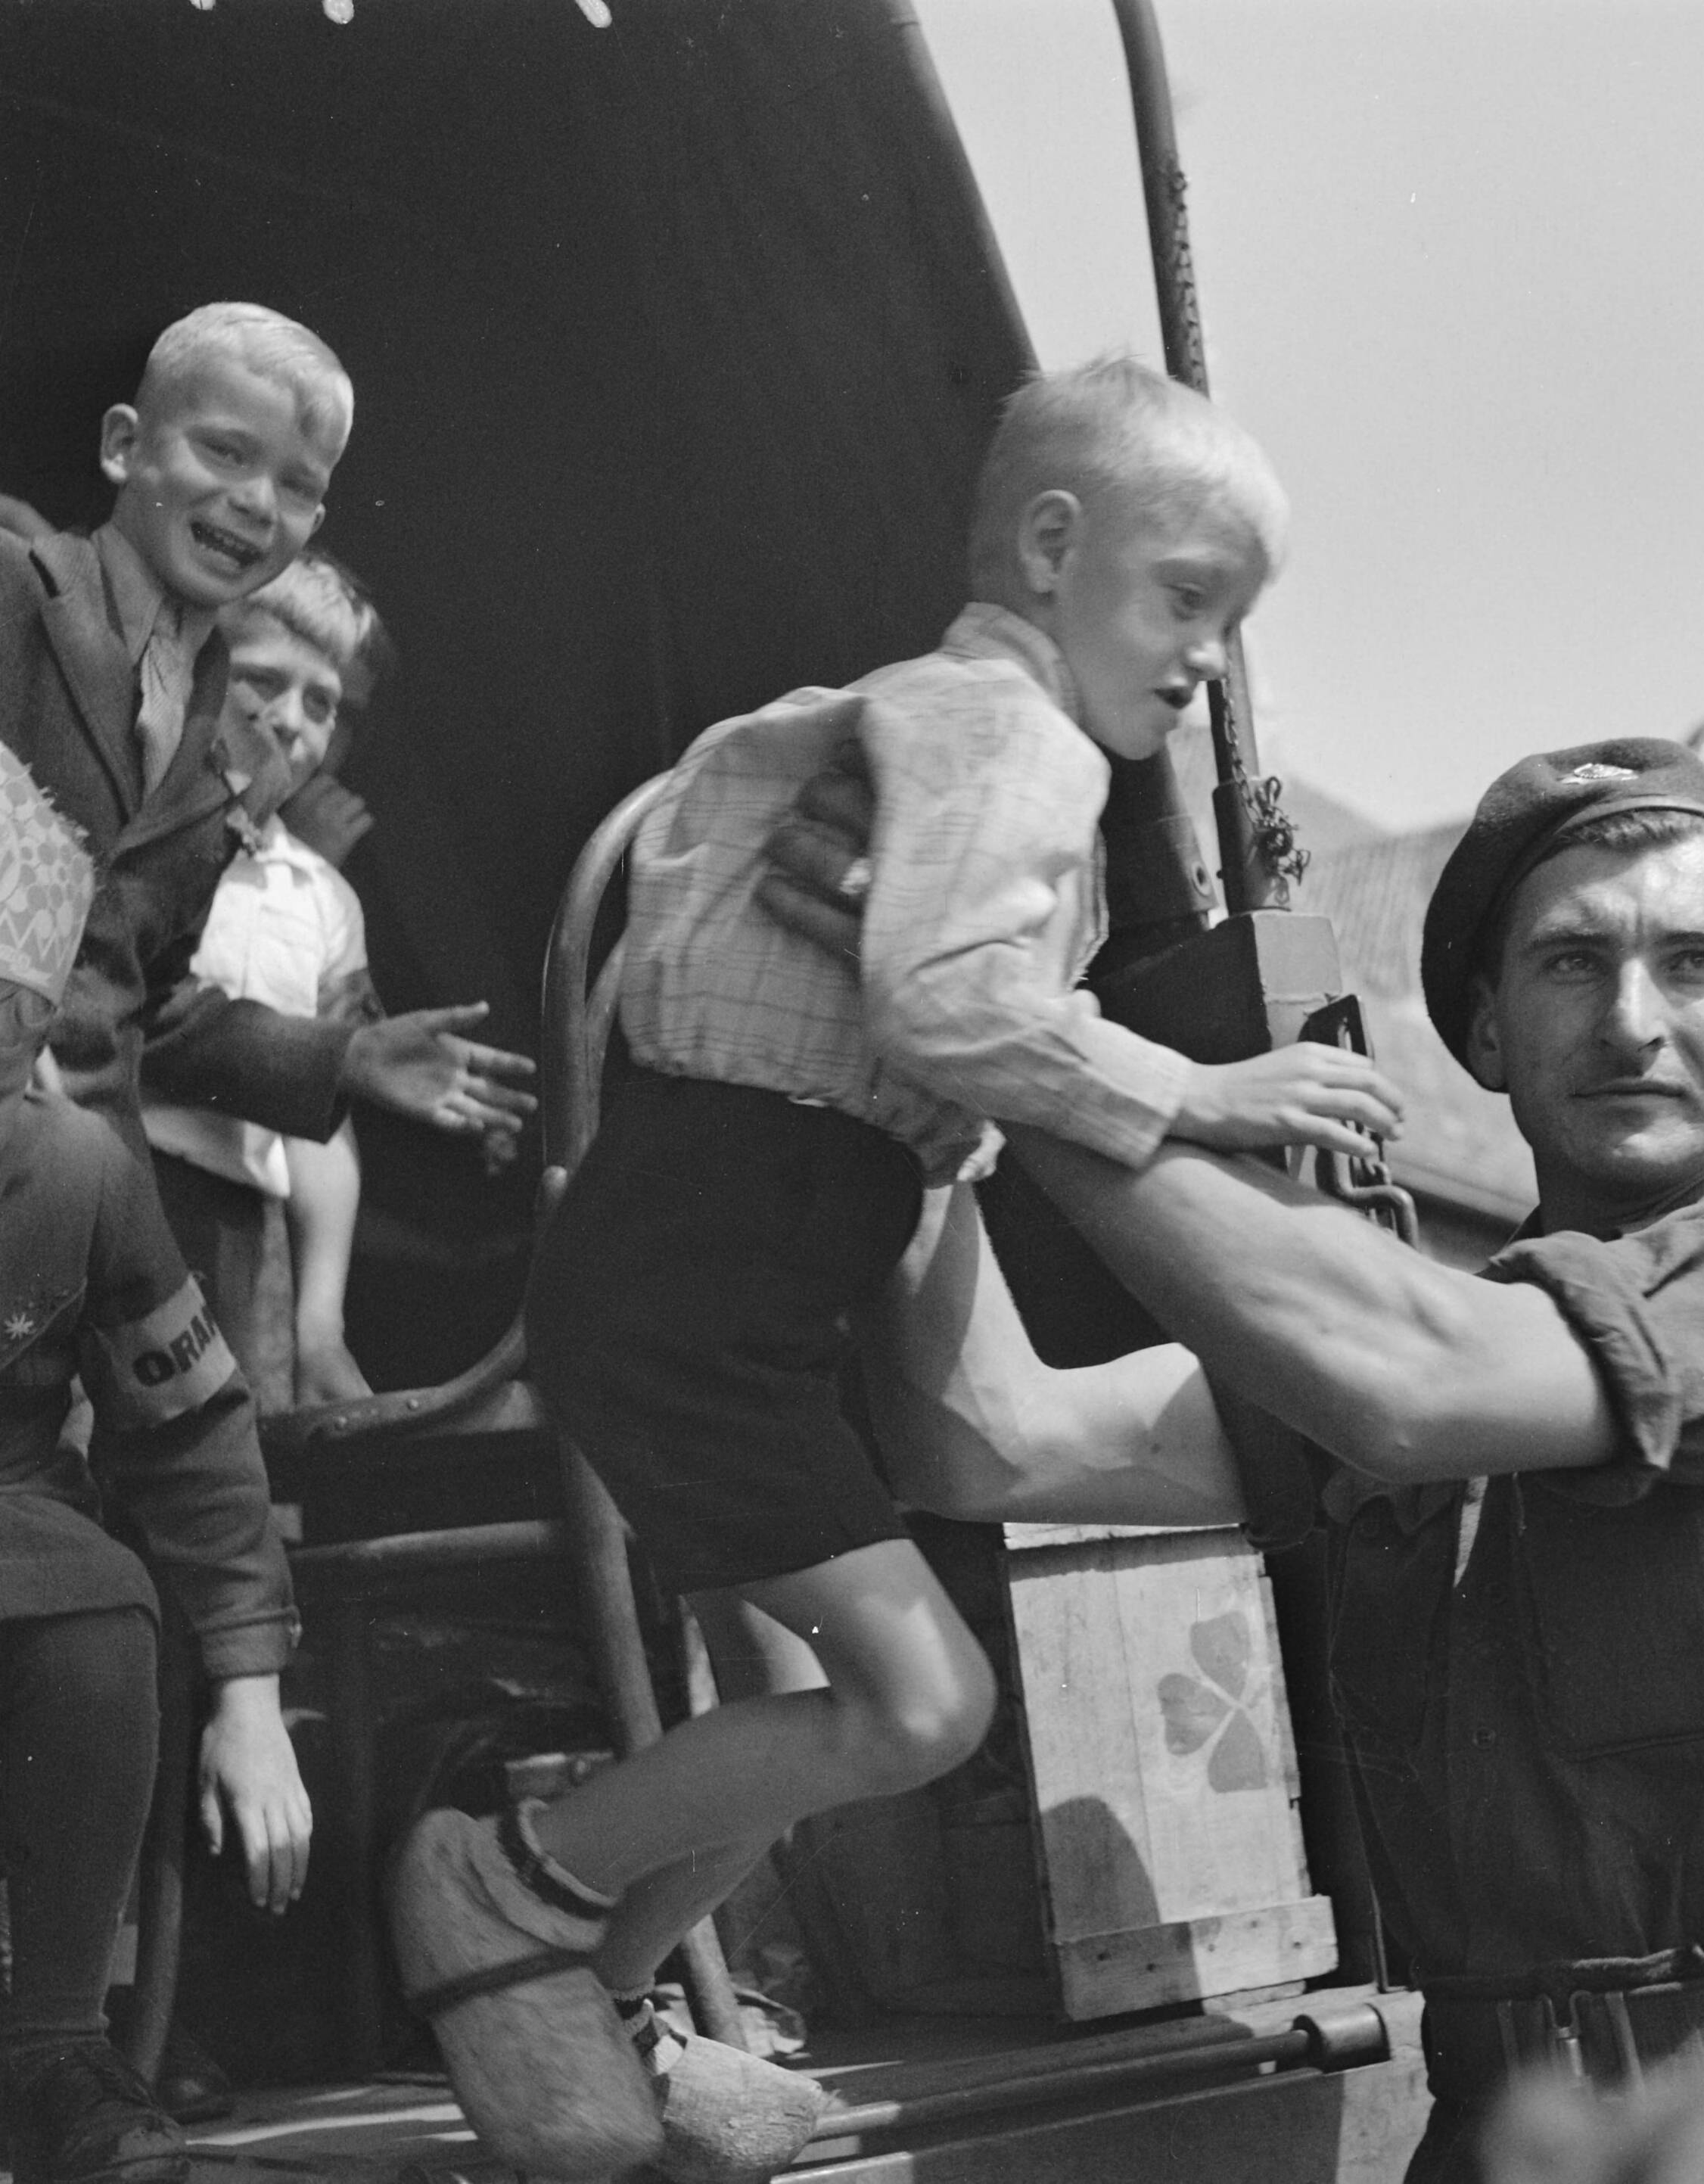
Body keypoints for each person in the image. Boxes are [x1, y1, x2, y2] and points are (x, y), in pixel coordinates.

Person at [392, 355, 1405, 2182]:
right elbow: (945, 1007)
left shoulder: (945, 733)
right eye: (1183, 598)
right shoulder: (1010, 738)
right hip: (702, 1286)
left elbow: (914, 1054)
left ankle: (602, 1997)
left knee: (819, 1713)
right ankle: (505, 1885)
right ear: (1050, 548)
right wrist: (1197, 1093)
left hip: (720, 1270)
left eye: (1229, 625)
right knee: (917, 1703)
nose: (1202, 660)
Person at [773, 736, 1704, 2182]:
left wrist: (1001, 1032)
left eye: (1694, 963)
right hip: (1499, 2129)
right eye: (1570, 963)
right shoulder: (1430, 1335)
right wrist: (909, 1091)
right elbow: (985, 1442)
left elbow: (1408, 1387)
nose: (1632, 1019)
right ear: (1487, 1031)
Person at [0, 300, 536, 1169]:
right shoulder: (13, 597)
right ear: (124, 445)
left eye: (297, 486)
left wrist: (342, 1056)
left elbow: (133, 1003)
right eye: (226, 451)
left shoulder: (233, 752)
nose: (255, 501)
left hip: (79, 1181)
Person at [0, 744, 309, 2184]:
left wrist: (247, 1678)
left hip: (10, 1512)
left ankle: (54, 2048)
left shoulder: (75, 1172)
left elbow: (187, 1431)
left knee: (93, 1600)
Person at [141, 555, 387, 1410]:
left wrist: (320, 1322)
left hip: (240, 1235)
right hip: (114, 1186)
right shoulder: (129, 832)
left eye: (322, 704)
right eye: (264, 680)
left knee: (227, 1452)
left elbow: (322, 1118)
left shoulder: (323, 897)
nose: (291, 720)